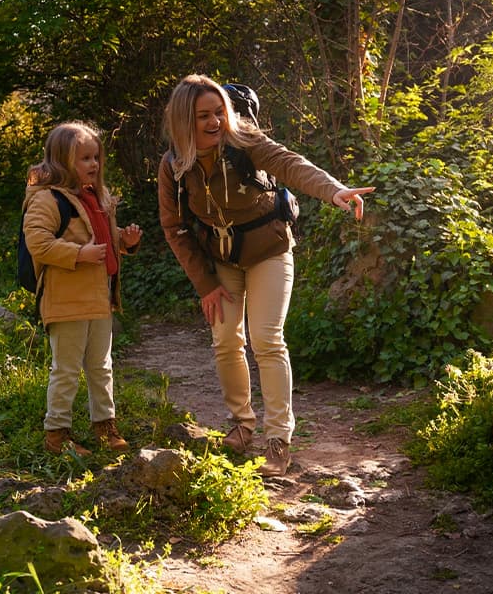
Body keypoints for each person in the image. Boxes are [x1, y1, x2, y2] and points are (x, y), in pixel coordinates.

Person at [156, 74, 373, 476]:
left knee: (267, 339)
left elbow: (290, 164)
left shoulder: (245, 141)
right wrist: (205, 285)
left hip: (269, 250)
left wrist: (334, 191)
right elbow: (174, 229)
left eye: (219, 111)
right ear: (184, 121)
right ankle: (242, 425)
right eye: (203, 116)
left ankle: (278, 440)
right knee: (226, 339)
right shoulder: (173, 166)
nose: (215, 122)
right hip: (220, 259)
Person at [24, 121, 144, 455]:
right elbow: (38, 243)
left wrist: (124, 241)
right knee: (65, 370)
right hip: (65, 300)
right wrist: (79, 254)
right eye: (85, 159)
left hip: (99, 298)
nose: (94, 164)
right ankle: (56, 435)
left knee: (101, 367)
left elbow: (99, 239)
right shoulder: (47, 199)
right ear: (63, 161)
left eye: (96, 157)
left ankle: (105, 426)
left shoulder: (95, 197)